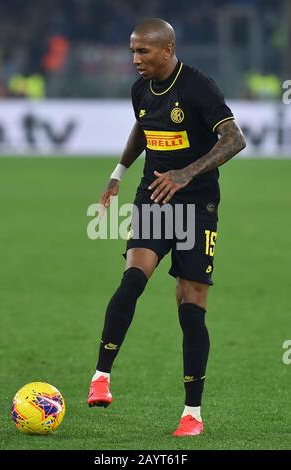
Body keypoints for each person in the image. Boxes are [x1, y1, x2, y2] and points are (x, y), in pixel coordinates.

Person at [87, 18, 246, 436]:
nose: (136, 59)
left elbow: (234, 139)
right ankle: (100, 378)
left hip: (197, 205)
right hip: (155, 198)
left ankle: (192, 414)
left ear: (167, 49)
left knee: (190, 309)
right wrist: (119, 172)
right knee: (132, 279)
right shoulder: (140, 88)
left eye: (143, 51)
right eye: (132, 51)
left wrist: (186, 173)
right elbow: (144, 125)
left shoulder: (198, 87)